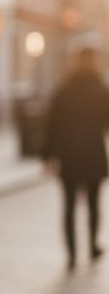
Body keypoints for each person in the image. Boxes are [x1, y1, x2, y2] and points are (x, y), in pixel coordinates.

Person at [42, 46, 109, 270]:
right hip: (93, 154)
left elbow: (52, 125)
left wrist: (47, 155)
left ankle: (71, 255)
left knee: (69, 206)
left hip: (69, 155)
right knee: (93, 205)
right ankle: (91, 247)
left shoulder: (65, 89)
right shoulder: (101, 89)